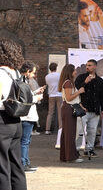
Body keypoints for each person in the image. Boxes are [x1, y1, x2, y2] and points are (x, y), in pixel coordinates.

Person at [0, 39, 27, 190]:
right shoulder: (15, 72)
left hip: (2, 121)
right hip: (16, 121)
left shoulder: (0, 73)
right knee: (16, 166)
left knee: (2, 167)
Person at [75, 59, 103, 158]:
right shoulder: (81, 78)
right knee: (80, 131)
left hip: (95, 109)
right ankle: (76, 149)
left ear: (95, 67)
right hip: (83, 109)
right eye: (87, 65)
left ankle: (89, 149)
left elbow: (102, 96)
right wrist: (85, 82)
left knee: (92, 131)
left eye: (90, 65)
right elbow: (77, 90)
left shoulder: (100, 81)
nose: (87, 67)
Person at [19, 61, 45, 173]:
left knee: (26, 141)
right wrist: (37, 98)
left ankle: (26, 162)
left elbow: (26, 96)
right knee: (24, 141)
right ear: (28, 71)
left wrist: (35, 93)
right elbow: (25, 100)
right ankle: (23, 163)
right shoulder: (21, 81)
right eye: (33, 73)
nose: (34, 75)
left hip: (27, 115)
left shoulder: (23, 81)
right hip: (26, 115)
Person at [59, 64, 85, 163]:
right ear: (70, 72)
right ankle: (70, 157)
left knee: (67, 133)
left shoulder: (68, 82)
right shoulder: (68, 83)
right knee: (70, 133)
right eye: (74, 70)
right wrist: (79, 92)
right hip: (68, 108)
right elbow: (69, 98)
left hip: (68, 108)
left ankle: (65, 156)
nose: (76, 72)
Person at [45, 62, 63, 149]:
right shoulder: (59, 75)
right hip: (59, 95)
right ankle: (60, 128)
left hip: (51, 95)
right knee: (60, 113)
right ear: (56, 67)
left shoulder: (47, 77)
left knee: (50, 113)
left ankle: (47, 129)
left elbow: (48, 85)